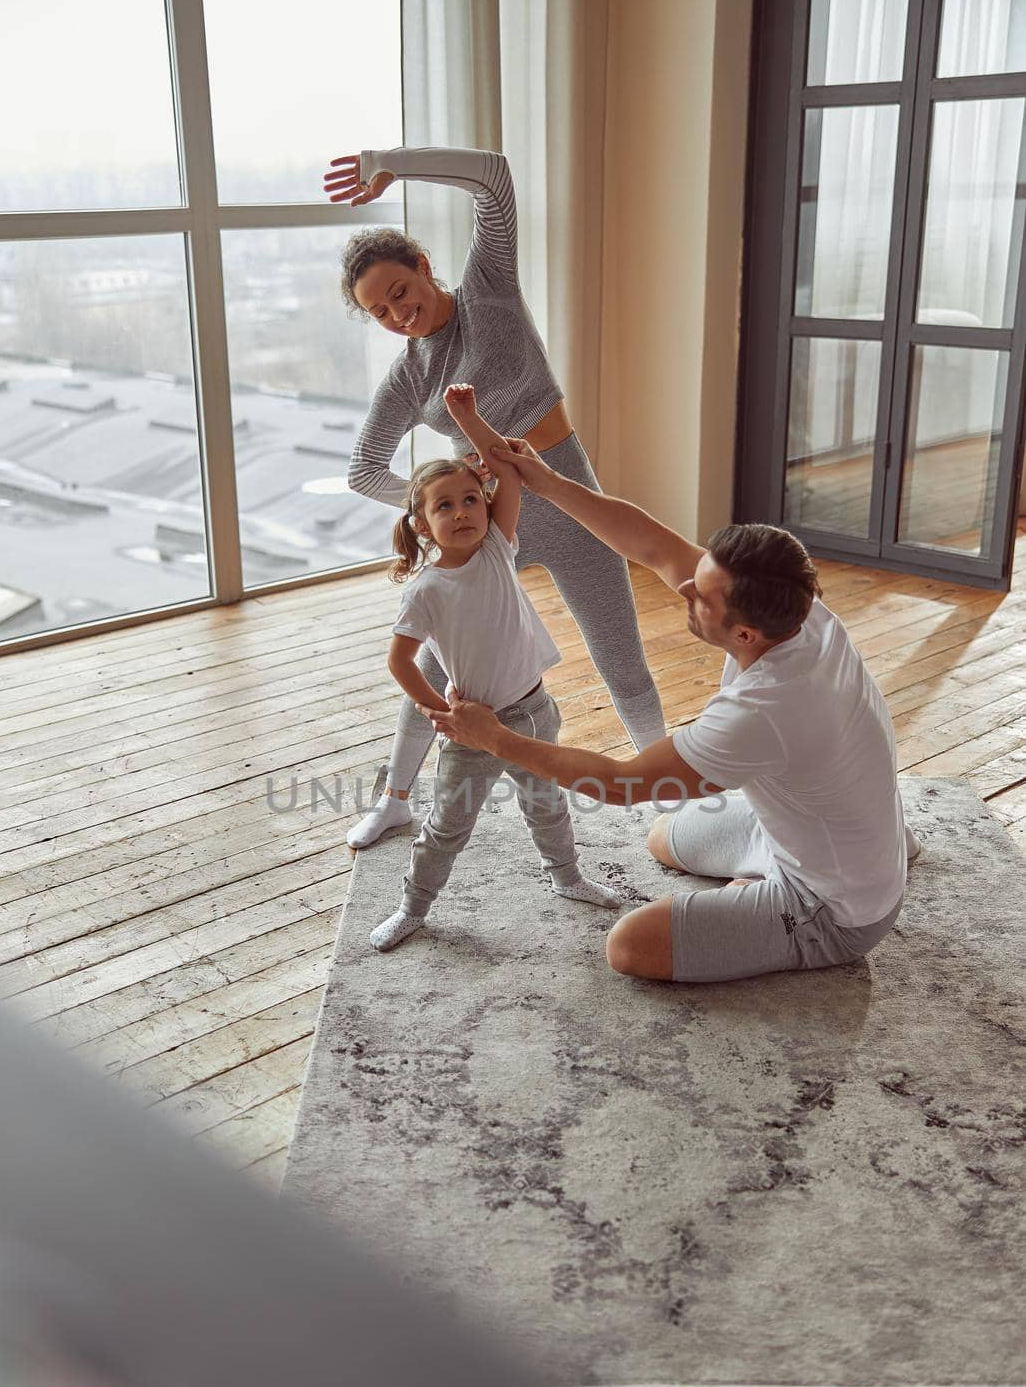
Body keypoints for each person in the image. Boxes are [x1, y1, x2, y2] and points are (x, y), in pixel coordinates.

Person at [424, 437, 922, 985]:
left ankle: (786, 907)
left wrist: (493, 737)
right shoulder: (799, 607)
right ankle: (787, 869)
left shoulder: (763, 710)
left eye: (701, 597)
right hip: (818, 832)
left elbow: (621, 785)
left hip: (837, 907)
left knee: (631, 945)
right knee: (665, 838)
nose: (684, 586)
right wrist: (544, 480)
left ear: (744, 633)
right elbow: (653, 546)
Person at [324, 145, 666, 852]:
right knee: (436, 671)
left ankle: (664, 788)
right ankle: (394, 801)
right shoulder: (408, 378)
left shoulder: (488, 288)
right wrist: (444, 502)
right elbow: (362, 469)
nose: (396, 313)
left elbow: (493, 178)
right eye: (377, 311)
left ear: (422, 265)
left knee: (619, 654)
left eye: (398, 291)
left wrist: (390, 163)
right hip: (486, 530)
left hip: (568, 498)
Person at [370, 384, 620, 952]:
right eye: (444, 506)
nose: (461, 513)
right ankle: (413, 908)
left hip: (534, 712)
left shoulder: (496, 549)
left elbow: (511, 473)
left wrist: (470, 418)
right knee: (446, 829)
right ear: (420, 523)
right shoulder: (427, 590)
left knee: (547, 805)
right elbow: (400, 661)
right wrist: (440, 713)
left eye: (469, 501)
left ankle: (568, 879)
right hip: (474, 731)